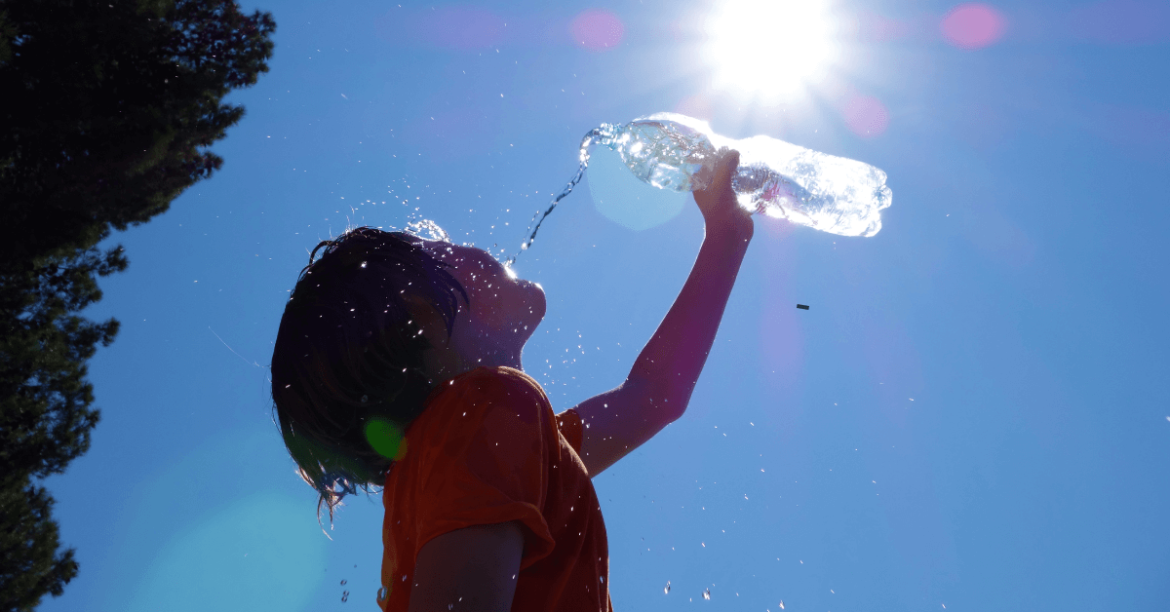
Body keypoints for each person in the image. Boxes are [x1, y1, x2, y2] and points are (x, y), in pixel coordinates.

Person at [270, 149, 752, 611]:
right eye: (442, 248)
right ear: (423, 317)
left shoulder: (485, 447)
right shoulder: (482, 413)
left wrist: (726, 236)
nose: (471, 246)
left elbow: (653, 397)